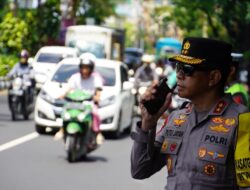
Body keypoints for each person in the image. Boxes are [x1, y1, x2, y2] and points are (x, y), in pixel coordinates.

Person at [130, 37, 250, 189]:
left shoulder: (241, 121)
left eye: (187, 69)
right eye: (178, 67)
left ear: (213, 77)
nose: (180, 75)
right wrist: (148, 123)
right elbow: (140, 170)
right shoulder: (177, 119)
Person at [54, 53, 104, 146]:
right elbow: (69, 89)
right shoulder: (75, 77)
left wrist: (97, 97)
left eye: (87, 68)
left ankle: (98, 133)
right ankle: (62, 130)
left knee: (95, 113)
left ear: (91, 68)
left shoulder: (96, 78)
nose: (85, 70)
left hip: (88, 103)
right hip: (75, 103)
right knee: (65, 111)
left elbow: (98, 92)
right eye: (83, 67)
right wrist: (63, 95)